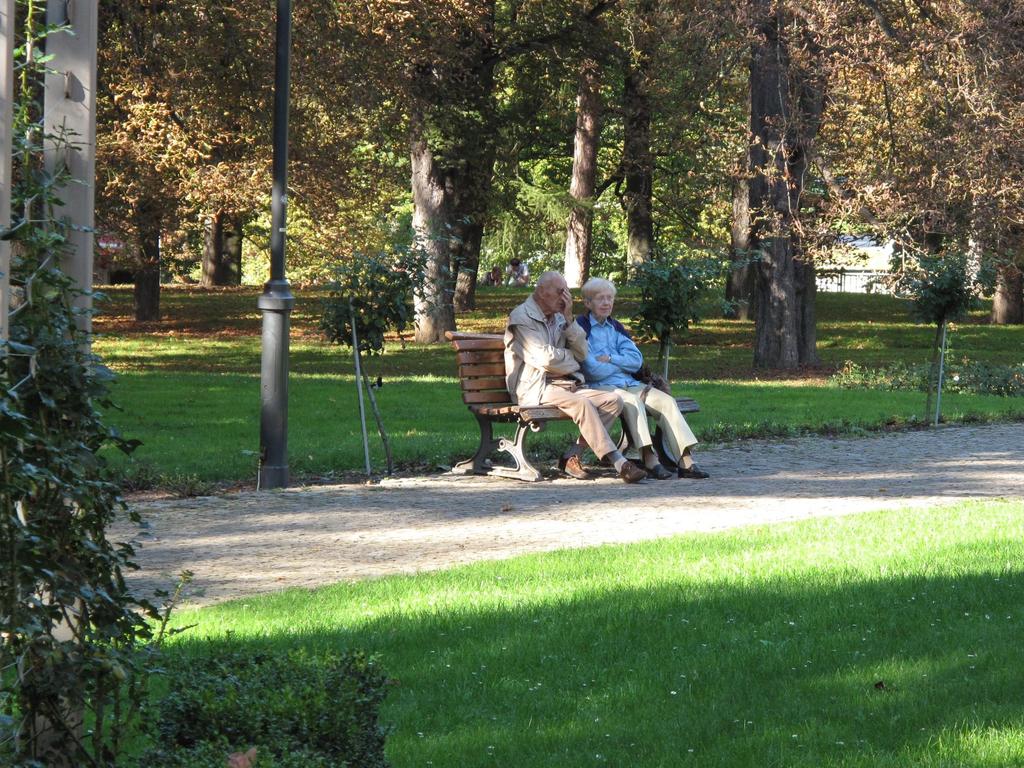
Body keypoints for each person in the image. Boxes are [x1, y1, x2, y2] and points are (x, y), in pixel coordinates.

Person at [504, 272, 647, 483]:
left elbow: (582, 352)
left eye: (567, 292)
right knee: (582, 404)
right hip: (536, 385)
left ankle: (572, 455)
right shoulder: (522, 317)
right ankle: (619, 462)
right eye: (560, 292)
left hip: (565, 383)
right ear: (542, 292)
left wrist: (570, 320)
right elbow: (545, 359)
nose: (565, 298)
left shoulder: (561, 316)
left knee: (612, 401)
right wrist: (570, 360)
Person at [576, 277, 710, 479]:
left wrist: (610, 359)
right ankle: (649, 457)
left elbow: (636, 361)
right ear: (588, 303)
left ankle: (685, 460)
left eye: (609, 298)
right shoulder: (581, 328)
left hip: (630, 383)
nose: (606, 303)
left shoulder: (616, 327)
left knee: (665, 401)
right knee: (631, 402)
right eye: (600, 298)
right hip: (601, 388)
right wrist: (619, 364)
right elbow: (593, 370)